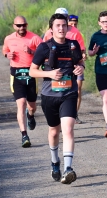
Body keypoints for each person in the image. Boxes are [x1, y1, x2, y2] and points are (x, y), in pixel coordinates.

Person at [29, 14, 84, 184]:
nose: (61, 28)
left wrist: (80, 69)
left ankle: (68, 169)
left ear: (68, 27)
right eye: (58, 26)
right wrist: (49, 74)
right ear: (51, 29)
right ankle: (55, 161)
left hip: (69, 94)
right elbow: (32, 71)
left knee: (67, 129)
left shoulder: (73, 45)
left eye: (64, 25)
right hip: (49, 96)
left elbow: (81, 63)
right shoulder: (44, 47)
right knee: (54, 131)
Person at [2, 16, 42, 148]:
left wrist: (32, 51)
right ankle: (24, 135)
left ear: (27, 25)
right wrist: (7, 55)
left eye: (23, 25)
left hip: (31, 73)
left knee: (31, 106)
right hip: (16, 74)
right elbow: (5, 50)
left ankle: (31, 116)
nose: (21, 28)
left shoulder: (34, 38)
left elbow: (44, 53)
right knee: (21, 104)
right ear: (14, 26)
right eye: (18, 25)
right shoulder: (9, 38)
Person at [43, 8, 87, 124]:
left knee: (77, 89)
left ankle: (73, 114)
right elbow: (44, 48)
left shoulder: (75, 32)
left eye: (65, 17)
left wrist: (81, 64)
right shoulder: (49, 32)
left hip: (73, 65)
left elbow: (81, 50)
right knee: (54, 128)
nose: (61, 27)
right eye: (58, 23)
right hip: (55, 68)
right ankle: (61, 115)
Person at [68, 14, 87, 124]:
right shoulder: (66, 33)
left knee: (78, 89)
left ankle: (75, 113)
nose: (74, 25)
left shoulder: (79, 34)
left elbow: (83, 50)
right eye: (71, 23)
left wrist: (84, 55)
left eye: (75, 23)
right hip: (68, 67)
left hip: (78, 64)